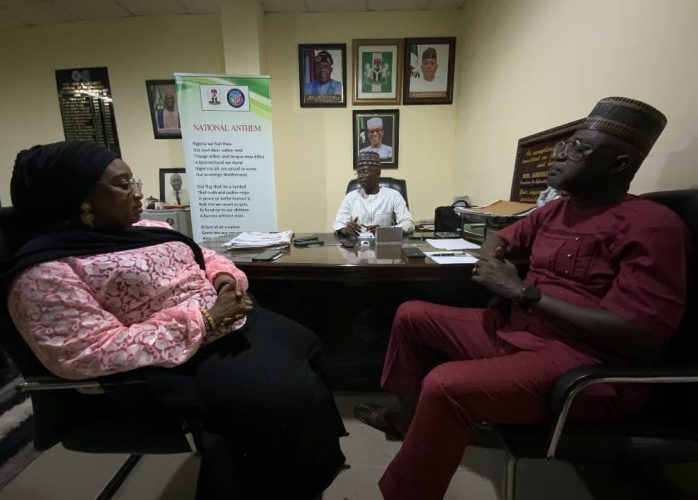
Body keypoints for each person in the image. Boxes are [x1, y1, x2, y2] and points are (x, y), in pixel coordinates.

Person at [353, 97, 693, 500]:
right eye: (564, 145)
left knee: (444, 385)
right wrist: (494, 257)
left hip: (582, 362)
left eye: (578, 148)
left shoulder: (653, 226)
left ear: (618, 165)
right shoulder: (555, 211)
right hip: (515, 331)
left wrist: (522, 292)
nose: (560, 155)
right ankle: (406, 419)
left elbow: (639, 337)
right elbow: (499, 236)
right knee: (411, 315)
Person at [2, 141, 347, 500]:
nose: (138, 193)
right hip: (177, 361)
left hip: (226, 320)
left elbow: (206, 256)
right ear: (80, 198)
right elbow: (88, 351)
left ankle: (312, 459)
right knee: (286, 395)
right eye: (123, 185)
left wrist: (223, 280)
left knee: (307, 342)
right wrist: (207, 319)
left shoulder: (144, 227)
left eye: (134, 182)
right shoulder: (45, 272)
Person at [333, 152, 414, 237]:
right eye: (358, 173)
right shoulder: (351, 197)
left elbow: (408, 224)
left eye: (365, 171)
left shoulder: (393, 195)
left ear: (378, 173)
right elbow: (338, 223)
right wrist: (345, 229)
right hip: (356, 242)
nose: (360, 176)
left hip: (384, 242)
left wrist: (384, 231)